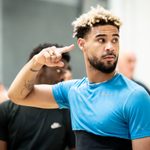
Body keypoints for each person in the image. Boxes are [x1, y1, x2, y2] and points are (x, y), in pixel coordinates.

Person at [8, 5, 150, 150]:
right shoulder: (73, 91)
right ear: (82, 44)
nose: (110, 47)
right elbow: (17, 95)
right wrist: (37, 61)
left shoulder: (135, 96)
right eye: (101, 40)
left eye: (115, 40)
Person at [0, 43, 75, 150]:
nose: (63, 76)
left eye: (64, 71)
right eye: (58, 70)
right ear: (39, 69)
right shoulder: (6, 109)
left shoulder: (67, 111)